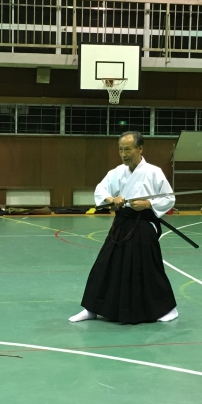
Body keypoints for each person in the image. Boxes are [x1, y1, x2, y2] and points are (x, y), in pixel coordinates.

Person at [69, 131, 178, 325]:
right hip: (121, 224)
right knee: (105, 265)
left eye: (128, 149)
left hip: (143, 224)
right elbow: (101, 190)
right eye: (120, 150)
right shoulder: (117, 172)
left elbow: (168, 198)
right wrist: (112, 199)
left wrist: (148, 204)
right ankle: (92, 308)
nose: (123, 154)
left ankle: (168, 309)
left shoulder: (153, 172)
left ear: (140, 149)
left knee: (149, 269)